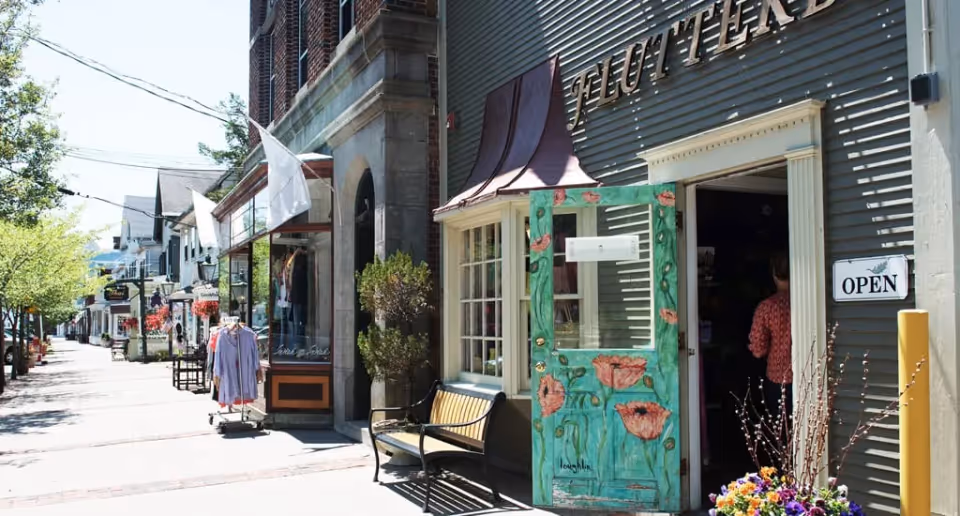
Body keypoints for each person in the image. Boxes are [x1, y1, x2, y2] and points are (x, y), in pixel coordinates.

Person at [748, 251, 793, 416]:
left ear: (774, 274)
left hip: (777, 378)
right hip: (805, 375)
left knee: (780, 433)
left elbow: (758, 350)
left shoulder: (766, 307)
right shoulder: (805, 302)